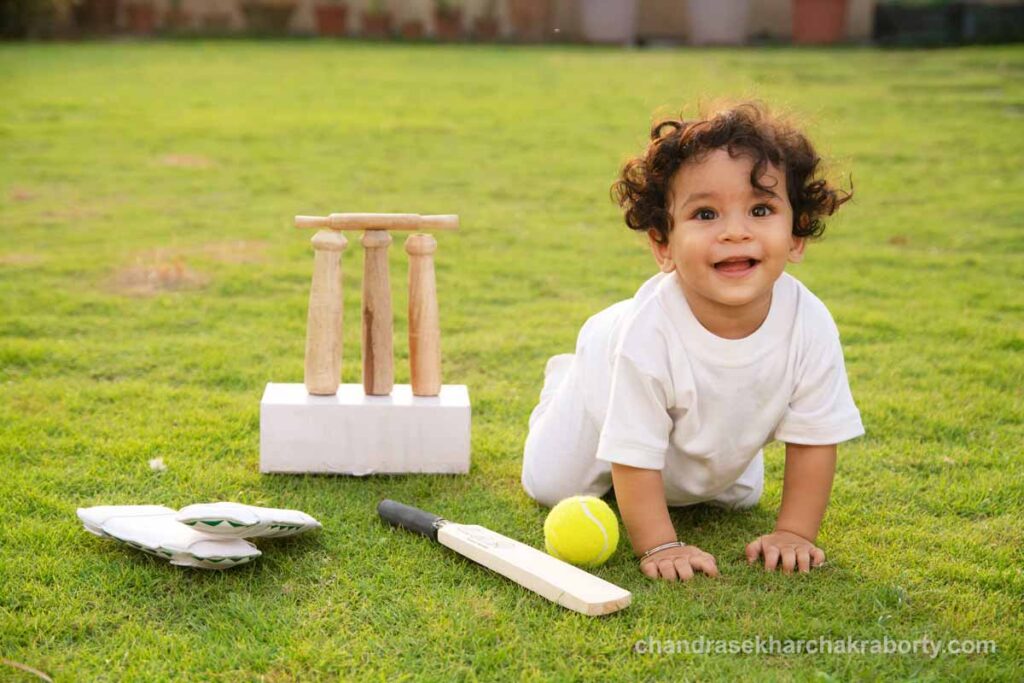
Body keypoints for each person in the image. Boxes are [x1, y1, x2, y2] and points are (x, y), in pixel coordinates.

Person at [521, 100, 864, 582]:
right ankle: (565, 383)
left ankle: (705, 457)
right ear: (664, 245)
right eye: (705, 214)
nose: (735, 232)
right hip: (604, 377)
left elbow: (814, 437)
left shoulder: (810, 323)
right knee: (549, 485)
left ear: (797, 235)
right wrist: (660, 545)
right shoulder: (648, 334)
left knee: (735, 498)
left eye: (761, 209)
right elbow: (633, 453)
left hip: (692, 421)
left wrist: (794, 533)